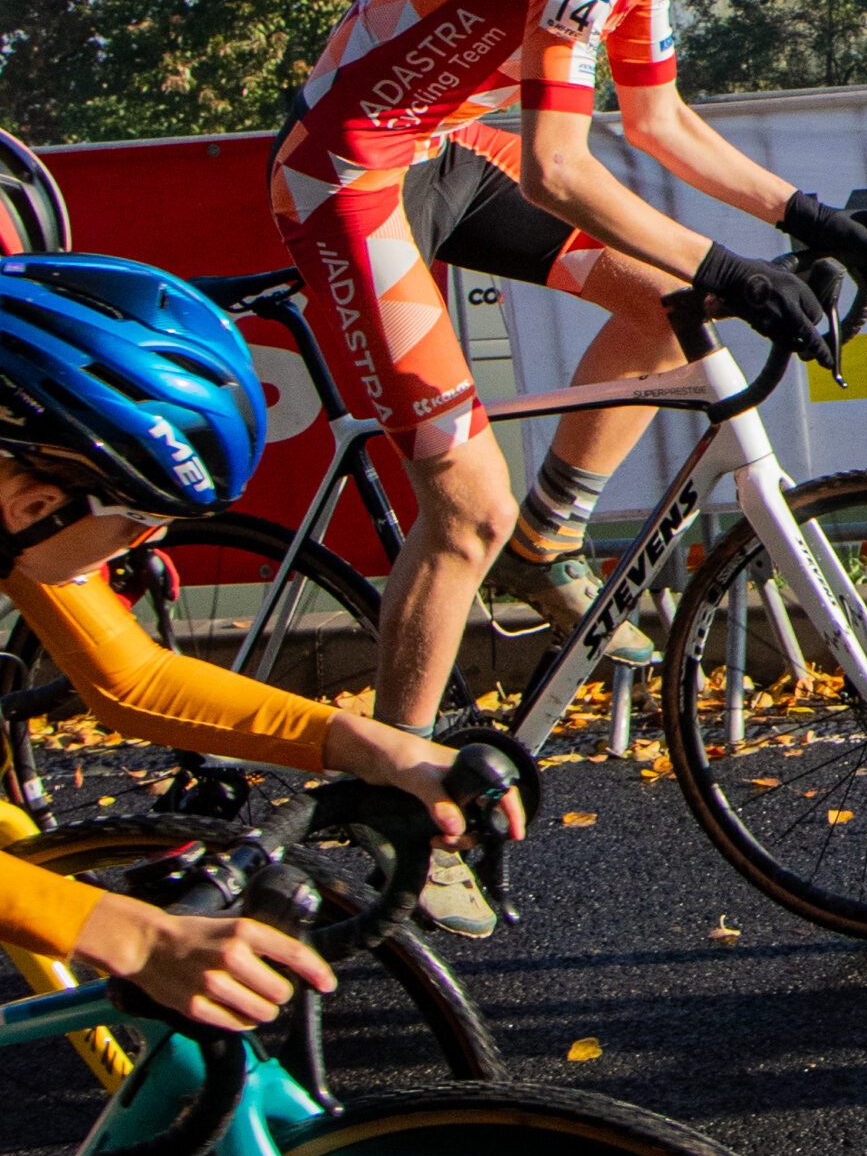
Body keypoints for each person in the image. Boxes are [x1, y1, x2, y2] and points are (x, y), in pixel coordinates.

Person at [270, 0, 867, 744]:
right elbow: (556, 168)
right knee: (466, 512)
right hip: (348, 175)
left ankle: (548, 536)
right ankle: (397, 790)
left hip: (437, 149)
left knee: (671, 308)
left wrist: (811, 219)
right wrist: (733, 268)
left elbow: (660, 123)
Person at [0, 248, 523, 1020]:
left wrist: (374, 746)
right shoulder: (20, 497)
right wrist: (133, 937)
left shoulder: (16, 502)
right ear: (36, 506)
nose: (150, 544)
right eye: (140, 520)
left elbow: (133, 681)